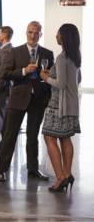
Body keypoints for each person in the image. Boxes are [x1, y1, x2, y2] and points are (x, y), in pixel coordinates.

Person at [0, 21, 54, 182]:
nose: (33, 35)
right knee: (9, 135)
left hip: (38, 100)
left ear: (40, 34)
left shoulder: (48, 53)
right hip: (18, 98)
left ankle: (33, 169)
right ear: (26, 33)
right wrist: (23, 71)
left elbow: (51, 78)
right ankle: (1, 170)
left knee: (33, 135)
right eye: (30, 32)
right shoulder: (15, 52)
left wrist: (48, 93)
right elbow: (6, 74)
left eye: (36, 33)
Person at [40, 23, 81, 192]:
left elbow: (61, 84)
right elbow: (73, 80)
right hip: (70, 105)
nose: (55, 35)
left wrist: (45, 77)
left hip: (58, 106)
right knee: (65, 138)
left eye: (58, 33)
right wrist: (53, 73)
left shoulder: (61, 58)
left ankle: (61, 177)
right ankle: (67, 174)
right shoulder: (74, 56)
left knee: (49, 138)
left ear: (63, 36)